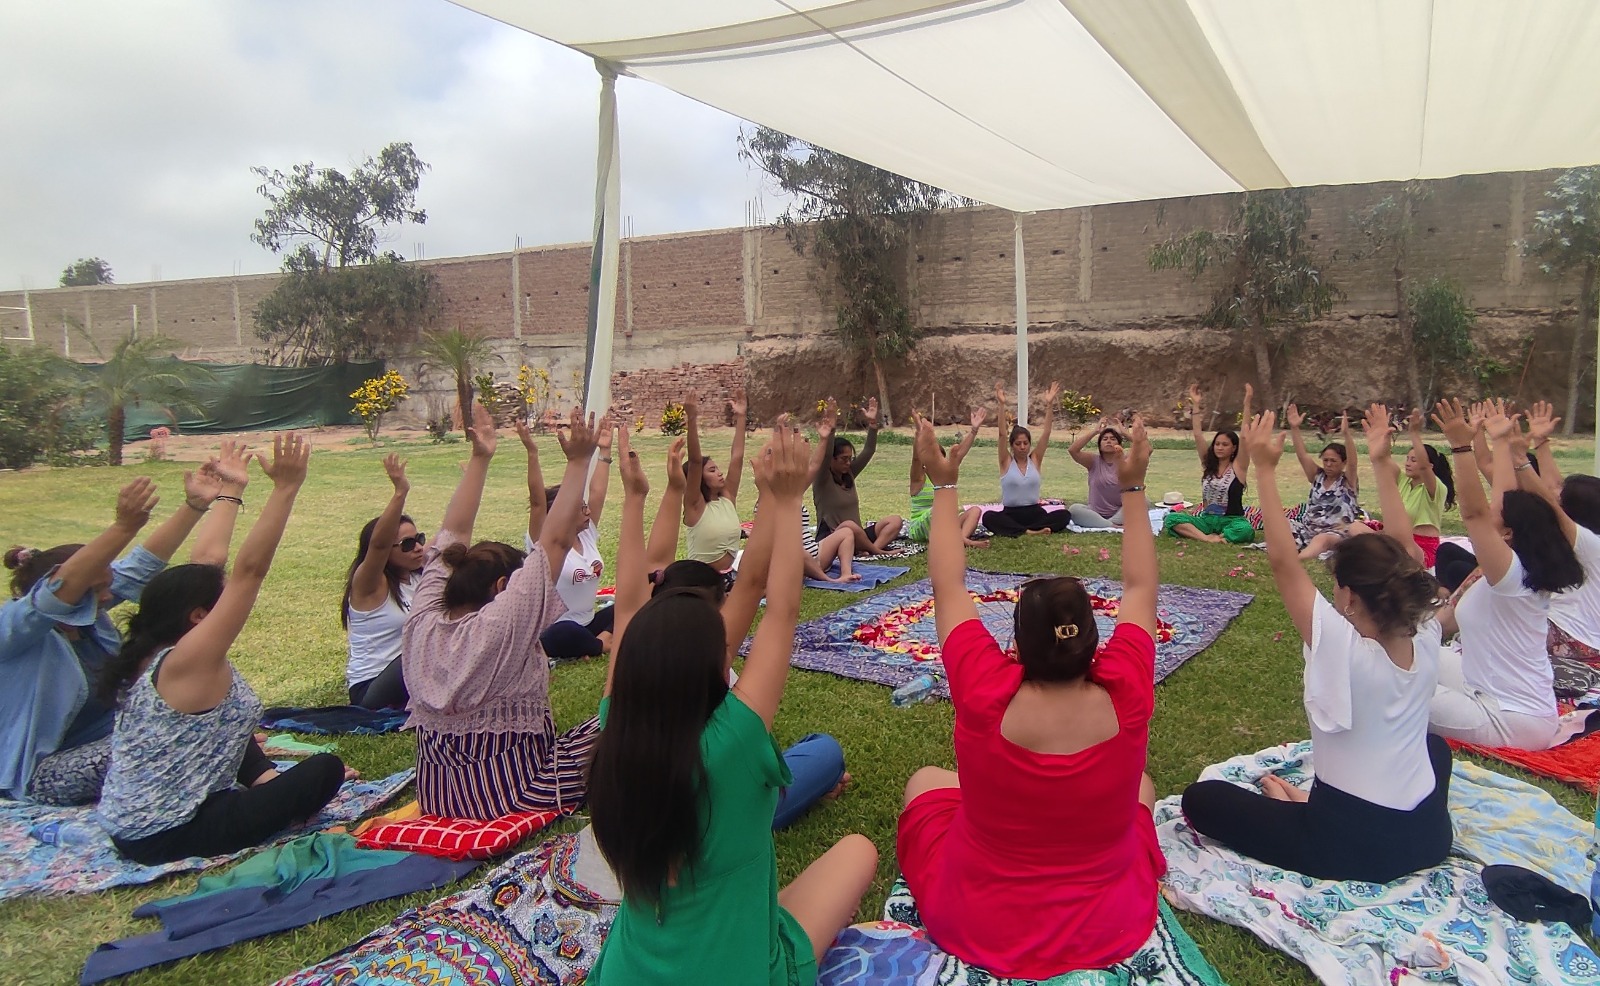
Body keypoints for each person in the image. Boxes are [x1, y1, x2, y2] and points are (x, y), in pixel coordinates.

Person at [589, 421, 877, 985]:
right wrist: (787, 500)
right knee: (858, 850)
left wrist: (638, 499)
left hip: (627, 974)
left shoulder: (615, 724)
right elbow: (781, 609)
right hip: (744, 972)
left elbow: (627, 609)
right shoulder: (731, 739)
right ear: (711, 661)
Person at [896, 414, 1164, 977]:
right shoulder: (1126, 687)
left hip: (980, 917)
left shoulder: (985, 689)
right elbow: (1141, 587)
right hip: (1109, 918)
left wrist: (945, 485)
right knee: (1142, 786)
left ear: (1015, 645)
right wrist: (1134, 488)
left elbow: (948, 584)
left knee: (924, 781)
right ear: (1094, 642)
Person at [1181, 408, 1453, 883]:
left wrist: (1265, 470)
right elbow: (1406, 549)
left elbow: (1285, 564)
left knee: (1202, 800)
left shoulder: (1345, 648)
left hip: (1350, 843)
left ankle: (1304, 809)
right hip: (1429, 834)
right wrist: (1380, 461)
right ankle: (1306, 804)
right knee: (1434, 747)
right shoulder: (1426, 630)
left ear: (1348, 596)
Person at [97, 433, 349, 864]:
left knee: (263, 756)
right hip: (170, 832)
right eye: (221, 594)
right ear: (199, 616)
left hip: (141, 825)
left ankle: (262, 781)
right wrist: (286, 488)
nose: (228, 592)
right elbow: (250, 572)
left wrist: (230, 491)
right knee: (326, 770)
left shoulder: (159, 650)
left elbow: (206, 563)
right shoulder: (189, 660)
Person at [0, 441, 249, 806]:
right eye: (96, 589)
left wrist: (195, 505)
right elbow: (55, 594)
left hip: (110, 743)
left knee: (198, 727)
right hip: (43, 774)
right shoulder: (13, 631)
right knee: (166, 741)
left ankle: (252, 783)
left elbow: (141, 566)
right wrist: (123, 527)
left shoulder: (90, 620)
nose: (107, 597)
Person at [401, 404, 604, 819]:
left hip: (438, 797)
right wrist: (579, 462)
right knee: (623, 719)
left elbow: (451, 535)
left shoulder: (422, 619)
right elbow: (554, 543)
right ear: (500, 587)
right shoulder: (500, 624)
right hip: (513, 796)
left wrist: (480, 459)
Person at [1429, 400, 1582, 751]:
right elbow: (1502, 502)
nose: (1491, 509)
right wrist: (1499, 442)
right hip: (1491, 693)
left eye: (1496, 515)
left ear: (1509, 533)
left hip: (1509, 718)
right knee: (1406, 650)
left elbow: (1474, 514)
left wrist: (1461, 447)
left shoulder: (1511, 576)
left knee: (1390, 687)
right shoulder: (1520, 565)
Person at [529, 417, 618, 661]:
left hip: (589, 622)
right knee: (564, 633)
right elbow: (537, 503)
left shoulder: (586, 533)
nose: (588, 512)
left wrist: (605, 450)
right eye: (581, 508)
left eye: (586, 506)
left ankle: (594, 643)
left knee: (628, 603)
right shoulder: (544, 543)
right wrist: (532, 453)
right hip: (558, 628)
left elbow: (598, 492)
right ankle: (600, 645)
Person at [340, 454, 424, 709]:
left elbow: (455, 532)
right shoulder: (370, 586)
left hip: (411, 678)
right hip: (371, 690)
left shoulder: (418, 576)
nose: (418, 548)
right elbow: (378, 545)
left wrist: (480, 461)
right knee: (426, 649)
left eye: (419, 539)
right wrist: (400, 493)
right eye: (407, 544)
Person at [1164, 383, 1256, 544]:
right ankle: (1208, 538)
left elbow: (1244, 437)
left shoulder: (1239, 467)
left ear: (1234, 448)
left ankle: (1221, 536)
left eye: (1225, 445)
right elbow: (1198, 435)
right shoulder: (1209, 464)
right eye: (1217, 444)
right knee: (1171, 518)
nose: (1219, 447)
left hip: (1231, 520)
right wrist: (1196, 404)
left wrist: (1247, 403)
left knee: (1245, 529)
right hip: (1207, 520)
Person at [814, 397, 903, 554]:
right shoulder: (822, 479)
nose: (848, 463)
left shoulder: (849, 473)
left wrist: (872, 424)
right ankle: (877, 552)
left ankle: (871, 551)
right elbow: (825, 455)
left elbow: (869, 451)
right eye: (843, 459)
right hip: (834, 537)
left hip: (858, 537)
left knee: (895, 521)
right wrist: (831, 429)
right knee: (849, 526)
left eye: (850, 459)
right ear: (832, 460)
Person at [981, 381, 1070, 537]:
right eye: (1018, 444)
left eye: (1025, 443)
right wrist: (1001, 405)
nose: (1022, 447)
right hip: (1011, 514)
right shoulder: (1006, 461)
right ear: (1012, 446)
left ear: (1029, 444)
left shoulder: (1035, 459)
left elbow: (1046, 433)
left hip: (1035, 513)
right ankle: (1030, 531)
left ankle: (1025, 530)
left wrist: (1049, 405)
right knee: (988, 517)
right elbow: (1002, 434)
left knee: (1065, 515)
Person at [682, 388, 748, 572]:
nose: (720, 473)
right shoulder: (695, 505)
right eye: (712, 470)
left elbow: (737, 458)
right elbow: (695, 462)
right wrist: (692, 418)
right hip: (699, 579)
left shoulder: (727, 497)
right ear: (699, 479)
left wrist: (741, 417)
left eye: (717, 468)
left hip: (727, 576)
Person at [1284, 408, 1362, 559]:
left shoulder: (1348, 481)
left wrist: (1346, 434)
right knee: (1280, 523)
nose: (1328, 464)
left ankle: (1298, 559)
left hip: (1335, 533)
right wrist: (1294, 428)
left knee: (1322, 539)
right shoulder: (1317, 476)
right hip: (1308, 529)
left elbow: (1353, 463)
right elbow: (1302, 455)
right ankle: (1289, 548)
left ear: (1343, 463)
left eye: (1333, 461)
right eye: (1325, 460)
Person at [909, 408, 989, 547]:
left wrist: (974, 430)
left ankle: (962, 539)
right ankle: (961, 540)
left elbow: (960, 453)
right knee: (939, 507)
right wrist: (919, 432)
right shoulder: (919, 478)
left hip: (943, 523)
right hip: (921, 528)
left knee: (975, 510)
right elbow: (916, 458)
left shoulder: (946, 474)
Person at [1065, 417, 1128, 530]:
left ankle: (1107, 524)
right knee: (1074, 509)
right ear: (1099, 445)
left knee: (1142, 500)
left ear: (1119, 444)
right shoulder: (1093, 461)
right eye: (1105, 439)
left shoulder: (1126, 461)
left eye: (1113, 439)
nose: (1108, 441)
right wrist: (1095, 431)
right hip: (1095, 513)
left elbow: (1146, 448)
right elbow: (1072, 450)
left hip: (1120, 513)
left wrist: (1125, 433)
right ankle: (1111, 526)